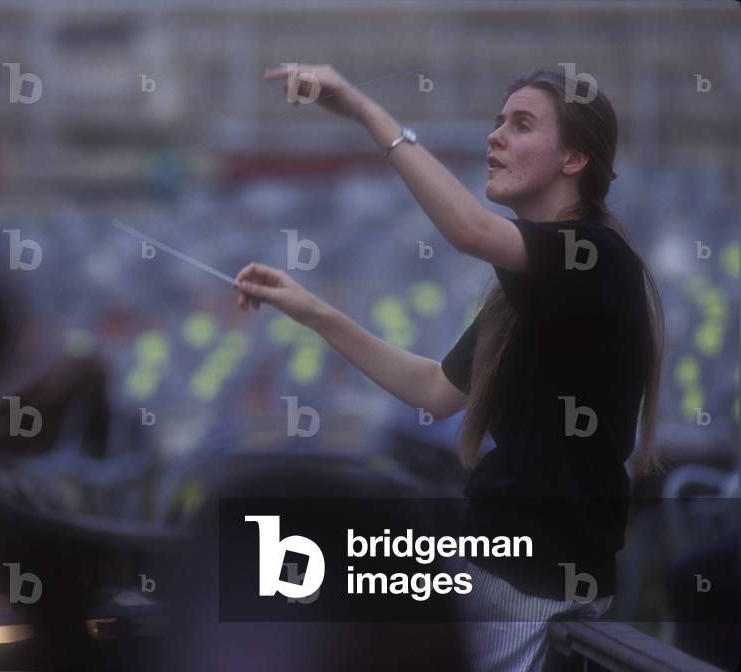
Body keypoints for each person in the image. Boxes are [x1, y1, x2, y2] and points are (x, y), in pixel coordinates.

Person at [234, 65, 665, 671]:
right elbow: (433, 390)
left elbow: (467, 229)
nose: (495, 137)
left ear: (573, 158)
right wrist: (312, 311)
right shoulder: (528, 289)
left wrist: (362, 108)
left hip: (527, 581)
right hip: (490, 563)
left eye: (520, 125)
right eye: (497, 123)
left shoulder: (594, 256)